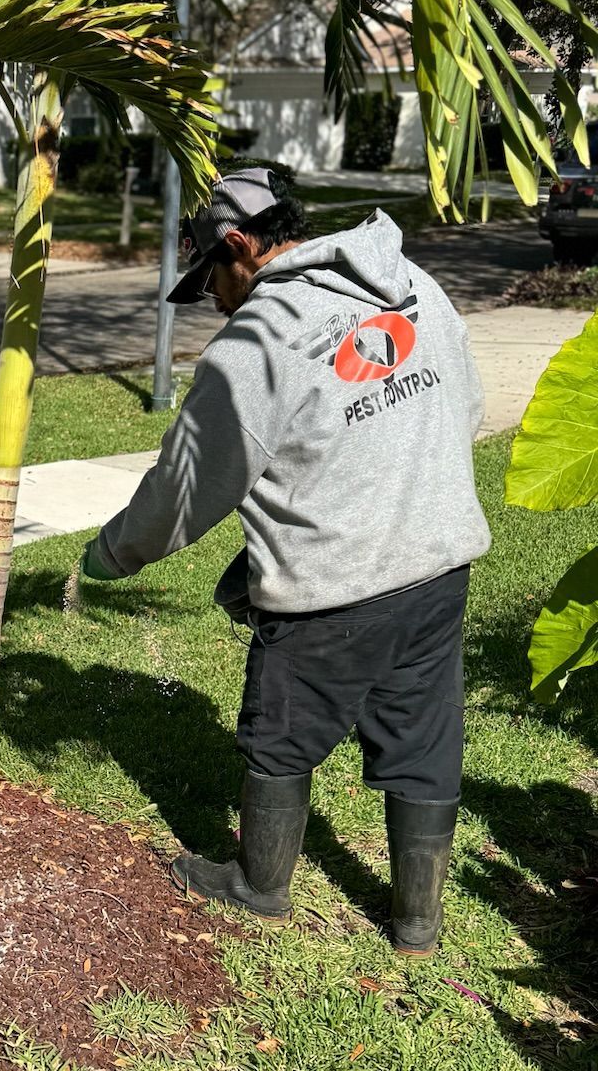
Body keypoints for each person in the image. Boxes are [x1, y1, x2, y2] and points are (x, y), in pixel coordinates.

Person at [77, 167, 489, 957]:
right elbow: (462, 405)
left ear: (239, 246)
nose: (215, 300)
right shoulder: (411, 283)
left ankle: (260, 886)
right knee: (423, 736)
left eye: (210, 281)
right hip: (439, 567)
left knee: (282, 738)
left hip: (332, 591)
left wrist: (116, 551)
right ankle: (418, 924)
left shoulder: (258, 342)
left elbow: (187, 486)